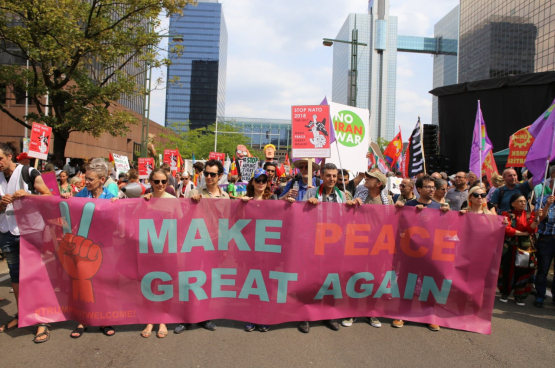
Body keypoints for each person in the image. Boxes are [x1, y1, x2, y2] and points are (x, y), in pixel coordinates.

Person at [0, 142, 52, 342]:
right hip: (6, 231)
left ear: (10, 156)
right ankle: (23, 314)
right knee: (15, 275)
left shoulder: (28, 172)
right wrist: (1, 204)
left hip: (30, 232)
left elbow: (48, 196)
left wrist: (29, 195)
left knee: (35, 275)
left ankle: (42, 320)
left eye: (0, 158)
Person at [174, 159, 229, 334]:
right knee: (189, 280)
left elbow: (228, 221)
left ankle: (205, 316)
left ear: (220, 176)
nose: (209, 177)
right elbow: (181, 217)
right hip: (195, 243)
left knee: (208, 281)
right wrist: (191, 203)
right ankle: (185, 318)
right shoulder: (194, 192)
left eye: (213, 174)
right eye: (206, 173)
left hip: (214, 244)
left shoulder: (225, 196)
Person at [393, 174, 449, 331]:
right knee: (407, 281)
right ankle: (403, 313)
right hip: (410, 252)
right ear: (418, 189)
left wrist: (450, 215)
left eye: (433, 187)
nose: (431, 190)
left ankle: (430, 315)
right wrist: (405, 211)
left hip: (431, 253)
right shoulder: (409, 205)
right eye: (428, 187)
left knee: (430, 283)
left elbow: (446, 229)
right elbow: (399, 226)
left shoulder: (439, 207)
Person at [70, 159, 118, 338]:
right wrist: (67, 199)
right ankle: (83, 320)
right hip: (84, 246)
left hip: (106, 247)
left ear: (102, 179)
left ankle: (105, 319)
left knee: (105, 283)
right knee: (84, 282)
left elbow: (119, 224)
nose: (86, 182)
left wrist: (116, 207)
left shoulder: (111, 197)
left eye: (90, 179)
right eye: (86, 178)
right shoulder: (82, 194)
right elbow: (71, 212)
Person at [241, 168, 290, 332]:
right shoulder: (245, 200)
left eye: (264, 180)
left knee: (267, 283)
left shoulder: (274, 198)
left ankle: (264, 317)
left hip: (269, 248)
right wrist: (241, 205)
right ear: (252, 182)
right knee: (251, 283)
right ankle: (250, 316)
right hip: (249, 248)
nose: (261, 183)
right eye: (258, 180)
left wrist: (289, 205)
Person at [297, 163, 343, 333]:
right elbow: (298, 215)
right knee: (309, 280)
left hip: (333, 245)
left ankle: (329, 314)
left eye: (334, 176)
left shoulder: (342, 195)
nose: (332, 179)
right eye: (328, 175)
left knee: (330, 280)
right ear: (321, 177)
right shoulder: (310, 192)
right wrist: (308, 205)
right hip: (312, 243)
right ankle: (305, 315)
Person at [140, 169, 175, 338]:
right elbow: (130, 219)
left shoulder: (174, 201)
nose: (160, 185)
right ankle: (150, 319)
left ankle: (162, 320)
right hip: (148, 249)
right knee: (149, 284)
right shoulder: (144, 200)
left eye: (163, 181)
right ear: (150, 182)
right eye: (156, 181)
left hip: (167, 249)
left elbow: (182, 223)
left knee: (164, 284)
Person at [499, 194, 538, 306]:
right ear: (512, 203)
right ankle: (505, 292)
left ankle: (519, 295)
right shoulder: (506, 214)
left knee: (524, 270)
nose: (523, 203)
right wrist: (523, 233)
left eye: (524, 201)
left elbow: (531, 229)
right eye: (520, 201)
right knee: (508, 269)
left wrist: (536, 220)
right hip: (510, 247)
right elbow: (508, 230)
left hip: (526, 247)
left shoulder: (530, 215)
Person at [533, 181, 555, 308]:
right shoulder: (543, 199)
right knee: (543, 270)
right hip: (546, 239)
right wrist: (547, 205)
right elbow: (539, 219)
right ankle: (540, 295)